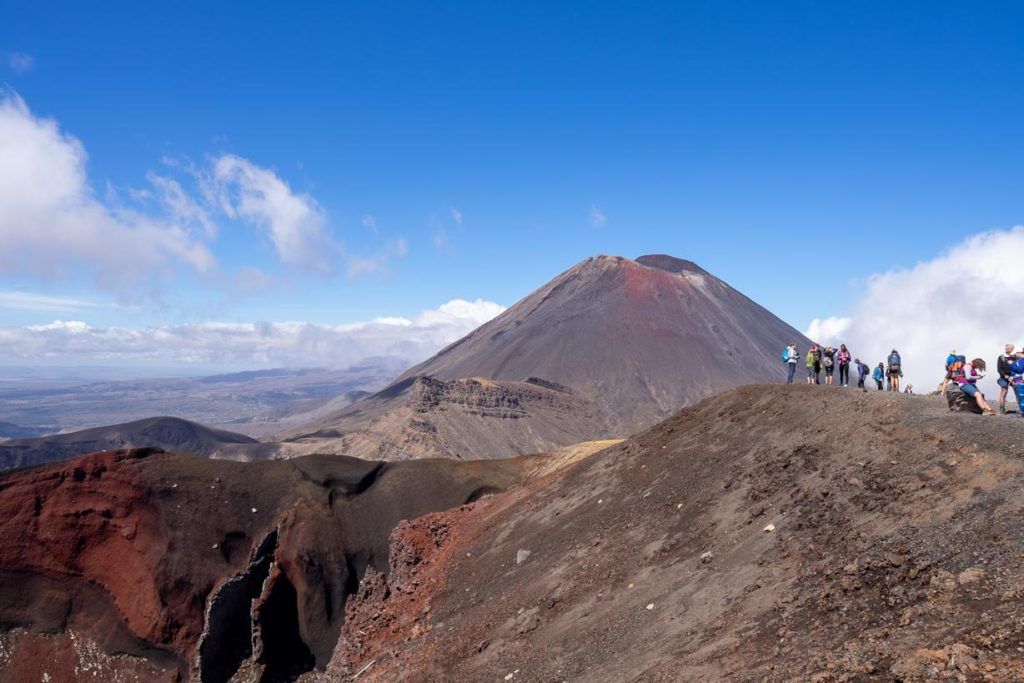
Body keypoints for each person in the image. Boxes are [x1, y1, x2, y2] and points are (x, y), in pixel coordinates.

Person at [997, 343, 1015, 413]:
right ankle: (1002, 409)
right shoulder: (1001, 357)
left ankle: (1021, 409)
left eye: (1010, 348)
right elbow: (999, 369)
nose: (1008, 349)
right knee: (1004, 391)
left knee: (1016, 391)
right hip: (1003, 377)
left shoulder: (1014, 357)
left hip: (1013, 376)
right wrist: (1005, 376)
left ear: (1012, 349)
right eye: (1007, 348)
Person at [1010, 350, 1024, 417]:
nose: (1015, 355)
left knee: (1021, 397)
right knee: (1020, 397)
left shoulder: (1022, 360)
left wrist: (1011, 364)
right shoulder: (1019, 360)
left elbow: (1020, 369)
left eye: (1015, 353)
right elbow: (1014, 371)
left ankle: (1022, 413)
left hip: (1020, 381)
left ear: (1019, 353)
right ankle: (1021, 411)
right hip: (1018, 380)